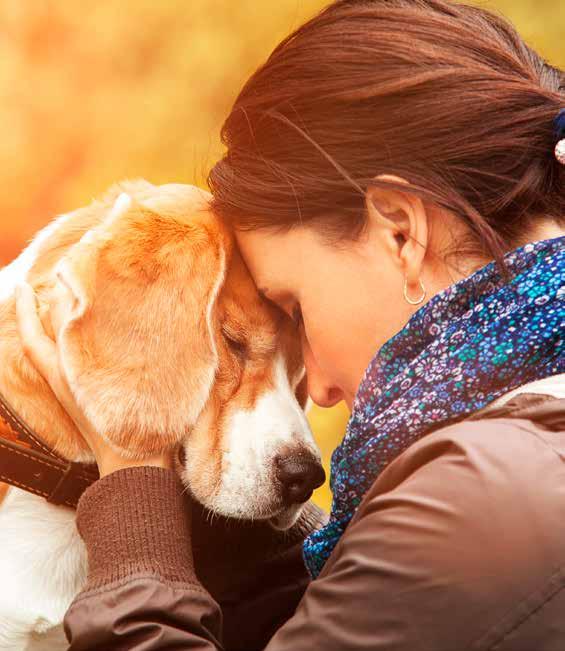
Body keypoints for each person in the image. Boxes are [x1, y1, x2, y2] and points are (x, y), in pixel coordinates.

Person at [15, 0, 565, 648]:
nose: (322, 391)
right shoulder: (520, 445)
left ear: (400, 232)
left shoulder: (482, 497)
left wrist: (134, 474)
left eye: (296, 308)